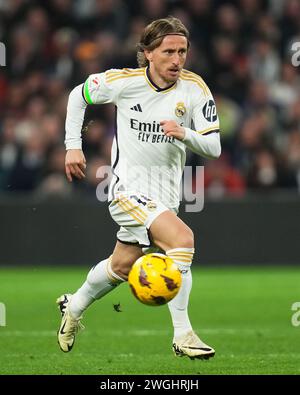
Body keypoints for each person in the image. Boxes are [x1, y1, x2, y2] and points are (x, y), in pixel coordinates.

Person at [57, 16, 221, 360]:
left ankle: (73, 307)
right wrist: (74, 145)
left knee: (120, 267)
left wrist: (185, 133)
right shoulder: (123, 82)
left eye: (182, 51)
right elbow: (78, 95)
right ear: (147, 53)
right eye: (168, 52)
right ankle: (183, 335)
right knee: (182, 241)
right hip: (125, 191)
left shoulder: (195, 89)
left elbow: (214, 147)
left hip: (166, 196)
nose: (177, 60)